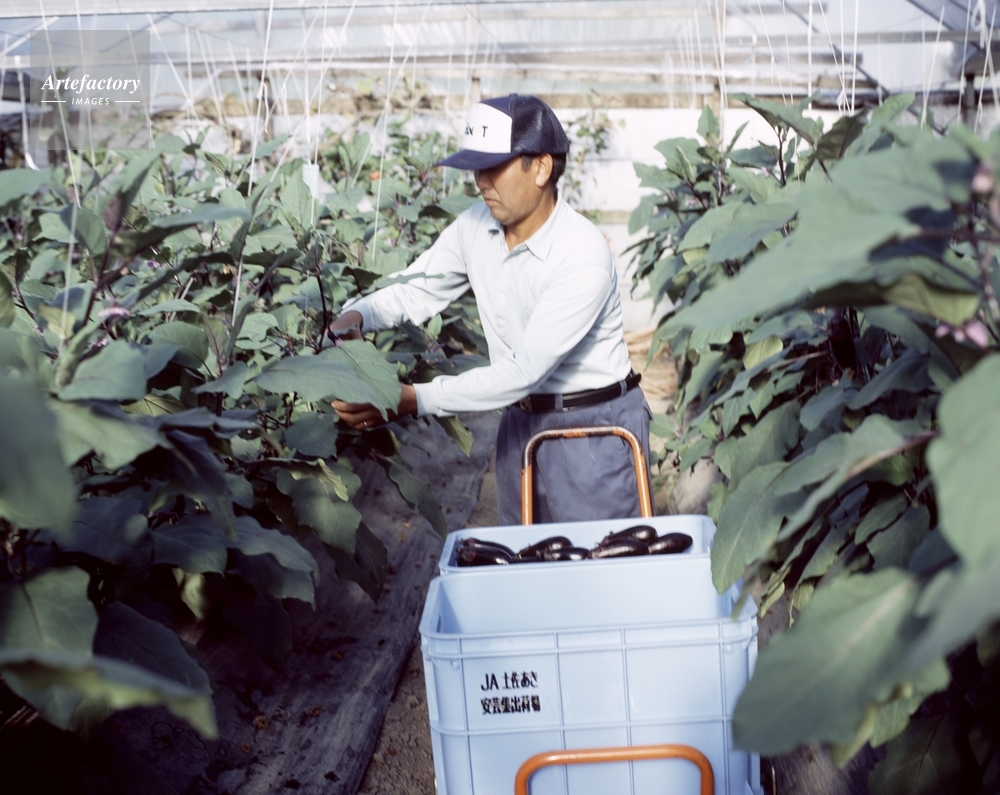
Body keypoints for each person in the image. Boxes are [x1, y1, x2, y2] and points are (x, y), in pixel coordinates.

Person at [329, 94, 651, 525]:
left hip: (593, 431)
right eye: (475, 168)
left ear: (541, 167)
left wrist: (412, 399)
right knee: (524, 556)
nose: (481, 181)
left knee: (602, 557)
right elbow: (413, 289)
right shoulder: (474, 226)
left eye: (493, 166)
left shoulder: (581, 255)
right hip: (520, 421)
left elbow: (522, 372)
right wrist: (355, 315)